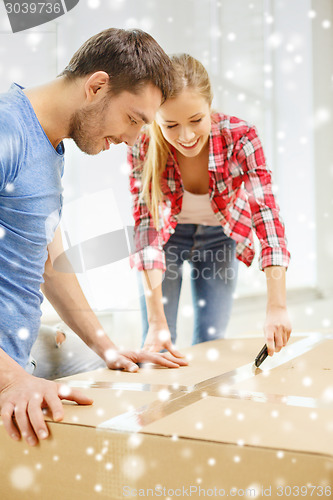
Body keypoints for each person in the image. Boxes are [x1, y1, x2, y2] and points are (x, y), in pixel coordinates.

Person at [0, 28, 188, 447]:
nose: (131, 139)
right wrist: (10, 381)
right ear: (97, 86)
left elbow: (47, 262)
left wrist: (107, 347)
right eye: (134, 120)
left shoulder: (49, 149)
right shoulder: (7, 130)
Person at [128, 53, 292, 359]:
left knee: (210, 342)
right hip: (168, 240)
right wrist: (156, 321)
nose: (186, 136)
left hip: (220, 238)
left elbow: (266, 216)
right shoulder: (143, 143)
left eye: (196, 120)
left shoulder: (241, 137)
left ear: (210, 106)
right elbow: (146, 228)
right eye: (171, 125)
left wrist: (277, 306)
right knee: (159, 343)